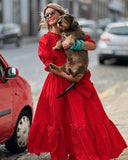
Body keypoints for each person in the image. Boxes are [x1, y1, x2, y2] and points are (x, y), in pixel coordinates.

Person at [27, 3, 127, 160]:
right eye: (46, 15)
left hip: (79, 84)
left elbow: (92, 46)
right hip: (58, 83)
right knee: (58, 121)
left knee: (82, 120)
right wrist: (70, 77)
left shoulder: (74, 33)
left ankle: (79, 155)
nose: (49, 16)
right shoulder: (45, 39)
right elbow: (49, 65)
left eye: (52, 12)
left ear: (60, 14)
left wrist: (74, 43)